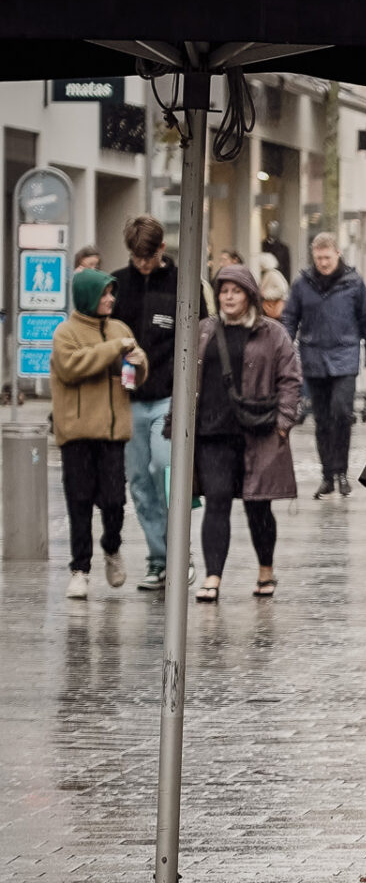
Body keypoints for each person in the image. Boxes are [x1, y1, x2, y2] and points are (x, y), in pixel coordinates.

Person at [190, 266, 300, 602]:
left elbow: (290, 378)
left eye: (236, 291)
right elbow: (186, 375)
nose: (228, 297)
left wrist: (283, 422)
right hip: (212, 431)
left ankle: (266, 569)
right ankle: (212, 577)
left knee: (258, 505)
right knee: (217, 501)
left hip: (259, 431)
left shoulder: (272, 332)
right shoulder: (204, 330)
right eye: (224, 291)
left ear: (250, 295)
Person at [51, 268, 145, 599]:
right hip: (77, 434)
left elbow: (136, 375)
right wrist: (114, 349)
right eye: (104, 294)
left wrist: (139, 361)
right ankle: (80, 570)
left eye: (111, 293)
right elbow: (71, 367)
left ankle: (111, 547)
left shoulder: (120, 329)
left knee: (115, 500)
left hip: (112, 434)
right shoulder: (66, 333)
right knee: (79, 502)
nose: (110, 299)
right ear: (88, 296)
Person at [113, 215, 190, 590]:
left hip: (169, 397)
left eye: (148, 257)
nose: (142, 264)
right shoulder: (117, 285)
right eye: (136, 257)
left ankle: (179, 551)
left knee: (165, 468)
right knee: (140, 482)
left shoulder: (182, 284)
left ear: (162, 248)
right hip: (128, 399)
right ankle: (159, 558)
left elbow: (200, 336)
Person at [281, 232, 366, 500]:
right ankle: (327, 476)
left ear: (338, 254)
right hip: (314, 358)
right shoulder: (303, 284)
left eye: (327, 257)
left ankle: (341, 472)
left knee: (341, 413)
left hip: (344, 357)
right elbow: (289, 319)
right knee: (322, 419)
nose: (323, 263)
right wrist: (284, 351)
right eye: (318, 258)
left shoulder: (353, 283)